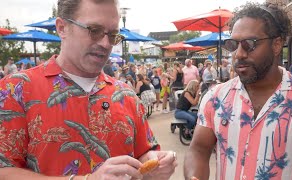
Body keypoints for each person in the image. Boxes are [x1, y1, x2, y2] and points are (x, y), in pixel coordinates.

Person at [0, 0, 177, 179]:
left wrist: (154, 163)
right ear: (62, 28)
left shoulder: (126, 95)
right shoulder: (15, 90)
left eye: (113, 35)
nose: (106, 43)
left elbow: (143, 153)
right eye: (94, 31)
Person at [184, 2, 292, 180]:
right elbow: (199, 150)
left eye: (249, 43)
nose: (239, 54)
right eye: (233, 44)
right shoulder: (215, 98)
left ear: (277, 44)